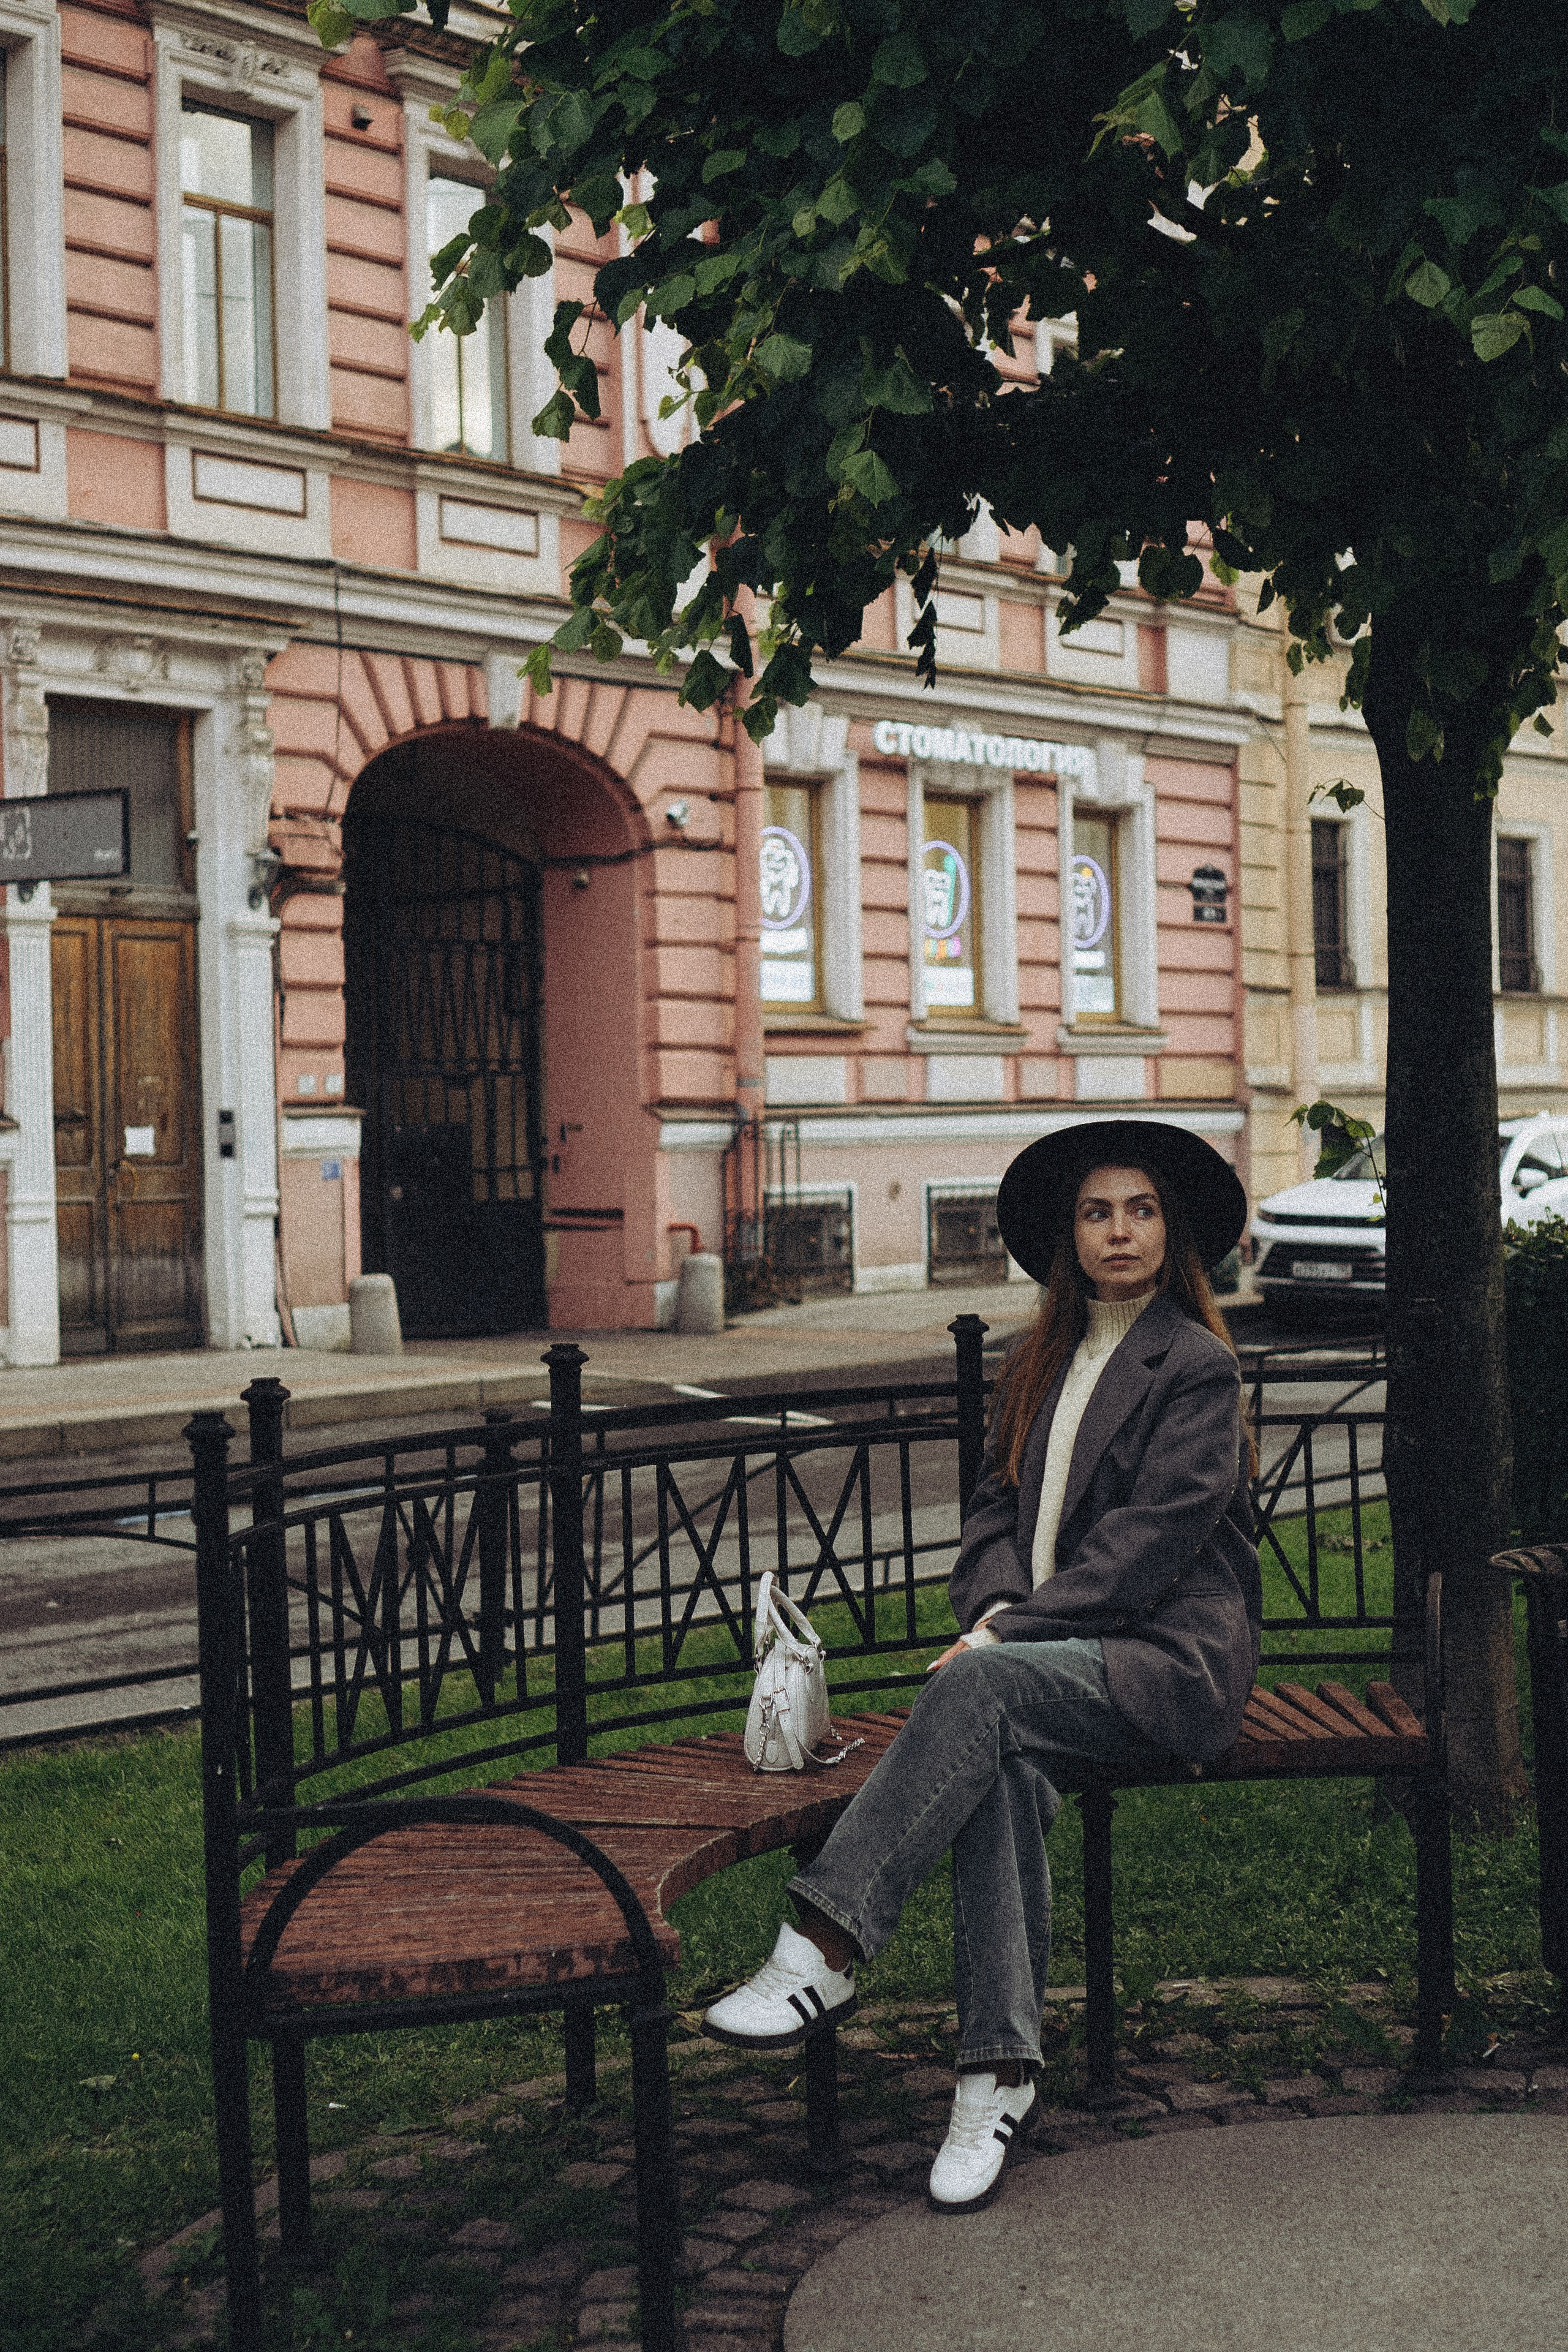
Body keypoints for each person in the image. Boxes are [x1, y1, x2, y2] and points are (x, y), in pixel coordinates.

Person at [703, 1120, 1261, 2212]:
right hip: (1051, 1660)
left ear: (1172, 1231)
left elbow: (1150, 1545)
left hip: (1164, 1663)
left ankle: (824, 1943)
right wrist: (1001, 1608)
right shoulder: (1038, 1363)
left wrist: (1007, 1637)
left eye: (1141, 1210)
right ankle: (996, 2075)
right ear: (1069, 1235)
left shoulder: (1194, 1366)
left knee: (979, 1687)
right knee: (998, 1768)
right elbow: (994, 1514)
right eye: (1097, 1212)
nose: (1120, 1231)